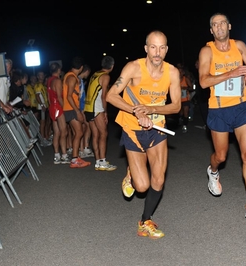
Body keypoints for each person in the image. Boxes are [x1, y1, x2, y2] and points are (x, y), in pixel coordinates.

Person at [106, 30, 181, 238]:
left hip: (157, 129)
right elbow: (111, 96)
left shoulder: (172, 72)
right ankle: (131, 174)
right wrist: (136, 110)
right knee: (142, 187)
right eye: (153, 47)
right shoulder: (134, 68)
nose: (157, 52)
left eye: (162, 47)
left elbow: (175, 106)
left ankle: (145, 221)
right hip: (132, 128)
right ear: (146, 48)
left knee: (158, 180)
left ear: (166, 50)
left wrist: (152, 110)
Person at [198, 13, 246, 218]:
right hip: (219, 109)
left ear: (229, 26)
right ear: (211, 30)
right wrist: (231, 73)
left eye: (222, 23)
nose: (219, 27)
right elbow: (203, 81)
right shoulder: (207, 51)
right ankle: (212, 171)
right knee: (221, 156)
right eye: (214, 25)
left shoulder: (240, 46)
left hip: (241, 106)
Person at [84, 56, 116, 171]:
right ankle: (102, 161)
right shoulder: (105, 76)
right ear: (112, 66)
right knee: (103, 134)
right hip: (96, 108)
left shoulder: (95, 73)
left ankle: (98, 162)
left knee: (95, 134)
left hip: (88, 108)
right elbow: (104, 97)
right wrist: (105, 112)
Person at [62, 56, 91, 168]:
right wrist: (77, 111)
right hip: (70, 109)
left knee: (78, 132)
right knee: (79, 132)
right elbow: (69, 96)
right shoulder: (72, 77)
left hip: (71, 108)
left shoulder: (71, 76)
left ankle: (76, 157)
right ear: (81, 67)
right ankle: (74, 159)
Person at [47, 62, 69, 164]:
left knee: (56, 132)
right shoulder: (57, 81)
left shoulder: (49, 80)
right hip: (58, 107)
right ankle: (64, 155)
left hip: (52, 107)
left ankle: (56, 155)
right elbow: (60, 97)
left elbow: (48, 96)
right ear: (59, 70)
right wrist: (64, 108)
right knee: (64, 132)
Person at [177, 64, 194, 133]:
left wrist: (186, 88)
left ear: (183, 73)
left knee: (186, 111)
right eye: (179, 72)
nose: (180, 73)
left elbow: (192, 87)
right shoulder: (175, 79)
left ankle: (185, 125)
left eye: (181, 72)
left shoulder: (186, 79)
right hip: (178, 99)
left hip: (185, 98)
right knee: (180, 112)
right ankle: (180, 119)